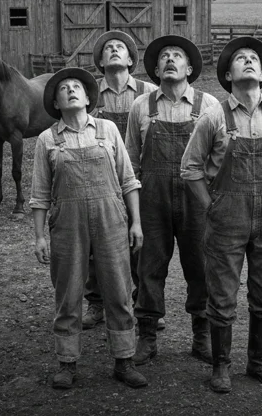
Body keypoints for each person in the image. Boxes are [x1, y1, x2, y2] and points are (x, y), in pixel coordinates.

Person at [181, 37, 262, 394]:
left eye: (253, 60)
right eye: (239, 60)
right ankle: (221, 367)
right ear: (228, 75)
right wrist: (210, 206)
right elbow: (190, 168)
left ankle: (257, 362)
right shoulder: (214, 117)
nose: (247, 62)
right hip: (226, 219)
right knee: (222, 295)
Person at [29, 67, 147, 389]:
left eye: (77, 86)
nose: (70, 90)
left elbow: (128, 181)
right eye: (63, 88)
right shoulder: (46, 140)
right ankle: (67, 363)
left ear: (87, 96)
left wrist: (135, 222)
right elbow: (39, 195)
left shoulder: (108, 131)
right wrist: (40, 236)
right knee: (68, 293)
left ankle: (124, 360)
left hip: (111, 219)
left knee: (119, 289)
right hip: (67, 225)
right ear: (55, 101)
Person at [125, 35, 220, 366]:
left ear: (189, 68)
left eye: (176, 56)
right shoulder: (141, 107)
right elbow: (132, 163)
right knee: (149, 264)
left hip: (196, 199)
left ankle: (202, 336)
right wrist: (132, 207)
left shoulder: (209, 106)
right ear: (154, 69)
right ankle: (147, 337)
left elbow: (220, 157)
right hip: (153, 198)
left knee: (201, 266)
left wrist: (211, 197)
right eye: (163, 56)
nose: (169, 59)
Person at [81, 30, 158, 330]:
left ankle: (142, 303)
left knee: (141, 243)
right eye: (108, 49)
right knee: (94, 245)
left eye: (120, 48)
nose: (114, 50)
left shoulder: (149, 93)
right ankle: (96, 303)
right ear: (101, 61)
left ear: (130, 59)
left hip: (140, 177)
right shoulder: (89, 95)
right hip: (98, 178)